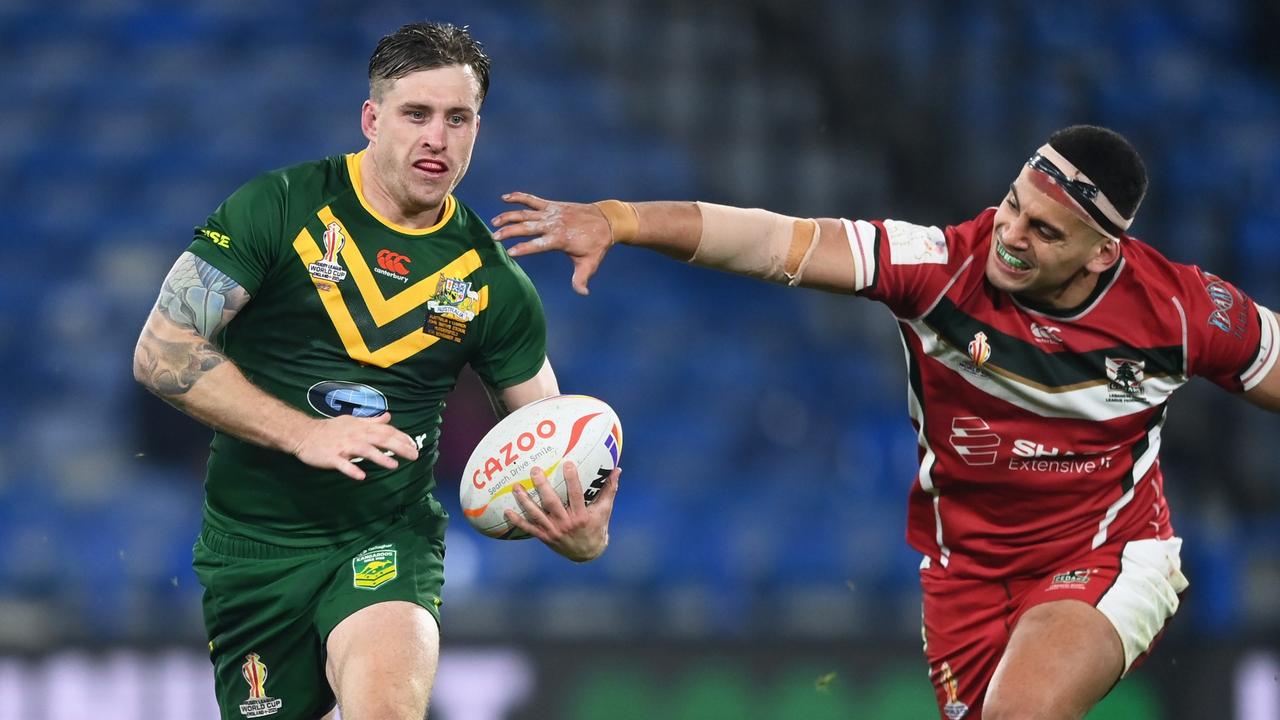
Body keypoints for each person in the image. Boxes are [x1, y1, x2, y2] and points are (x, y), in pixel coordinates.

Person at [490, 124, 1279, 720]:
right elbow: (773, 240)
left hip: (1106, 550)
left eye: (1045, 231)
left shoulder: (1181, 312)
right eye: (1013, 206)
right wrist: (623, 220)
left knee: (1020, 711)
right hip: (964, 573)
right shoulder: (937, 268)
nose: (1011, 234)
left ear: (1103, 253)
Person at [133, 21, 620, 720]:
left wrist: (583, 530)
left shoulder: (493, 283)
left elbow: (550, 437)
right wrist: (303, 433)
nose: (437, 138)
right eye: (416, 114)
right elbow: (160, 350)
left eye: (459, 119)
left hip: (385, 537)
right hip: (252, 548)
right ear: (371, 118)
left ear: (478, 129)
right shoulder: (277, 207)